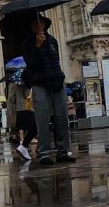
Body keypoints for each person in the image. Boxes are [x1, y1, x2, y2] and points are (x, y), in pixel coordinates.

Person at [22, 14, 74, 164]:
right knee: (42, 120)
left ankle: (63, 151)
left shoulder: (52, 41)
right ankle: (43, 153)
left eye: (41, 23)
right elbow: (32, 65)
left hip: (57, 82)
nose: (38, 26)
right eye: (35, 23)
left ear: (45, 24)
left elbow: (56, 60)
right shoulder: (27, 43)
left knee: (62, 118)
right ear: (31, 26)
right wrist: (37, 46)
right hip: (40, 84)